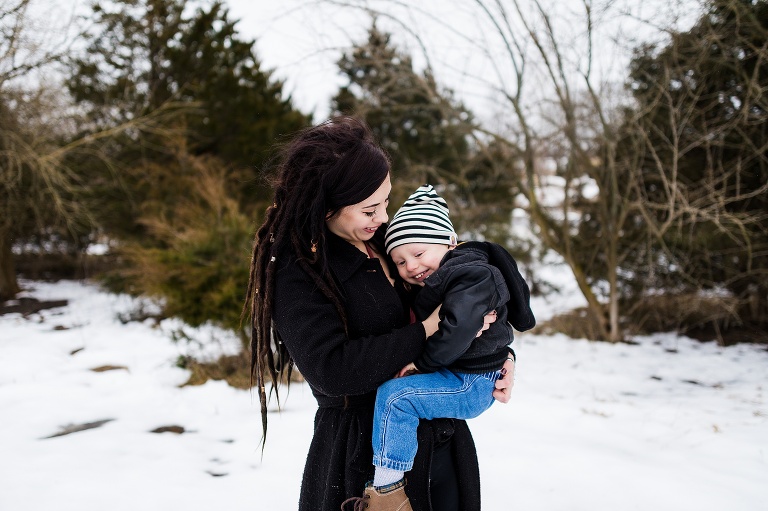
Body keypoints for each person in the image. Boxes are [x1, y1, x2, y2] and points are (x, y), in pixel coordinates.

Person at [243, 117, 515, 511]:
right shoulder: (300, 271)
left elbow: (469, 289)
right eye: (370, 209)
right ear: (326, 209)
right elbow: (331, 370)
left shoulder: (390, 243)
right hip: (360, 458)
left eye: (386, 201)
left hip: (441, 445)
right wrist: (430, 327)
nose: (384, 218)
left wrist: (497, 357)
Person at [341, 185, 536, 510]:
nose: (412, 266)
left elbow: (458, 329)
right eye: (400, 261)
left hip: (470, 381)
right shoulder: (446, 277)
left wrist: (422, 364)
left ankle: (387, 494)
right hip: (466, 374)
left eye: (418, 254)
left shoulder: (470, 275)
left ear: (450, 242)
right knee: (396, 397)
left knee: (395, 398)